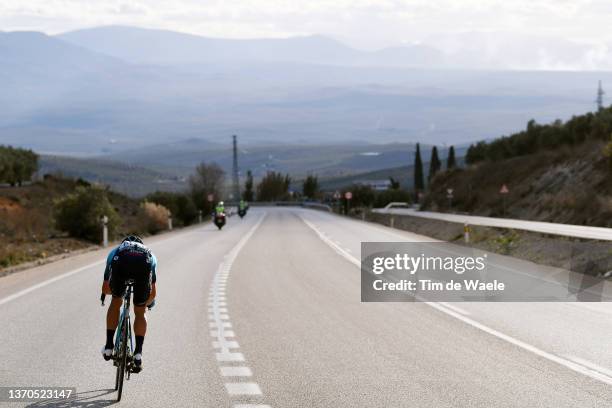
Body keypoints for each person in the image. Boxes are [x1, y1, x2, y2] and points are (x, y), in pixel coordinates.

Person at [101, 235, 157, 373]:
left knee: (116, 302)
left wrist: (117, 294)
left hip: (121, 268)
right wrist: (146, 304)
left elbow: (105, 288)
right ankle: (138, 353)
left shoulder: (115, 252)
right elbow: (152, 294)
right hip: (143, 270)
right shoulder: (151, 255)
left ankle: (109, 347)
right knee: (140, 311)